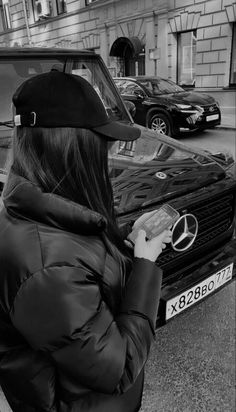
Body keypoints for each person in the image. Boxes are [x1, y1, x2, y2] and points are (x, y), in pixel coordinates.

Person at [0, 71, 172, 412]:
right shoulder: (47, 271)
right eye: (101, 147)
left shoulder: (41, 210)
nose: (107, 158)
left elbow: (77, 254)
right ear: (71, 150)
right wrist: (144, 268)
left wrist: (124, 239)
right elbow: (118, 369)